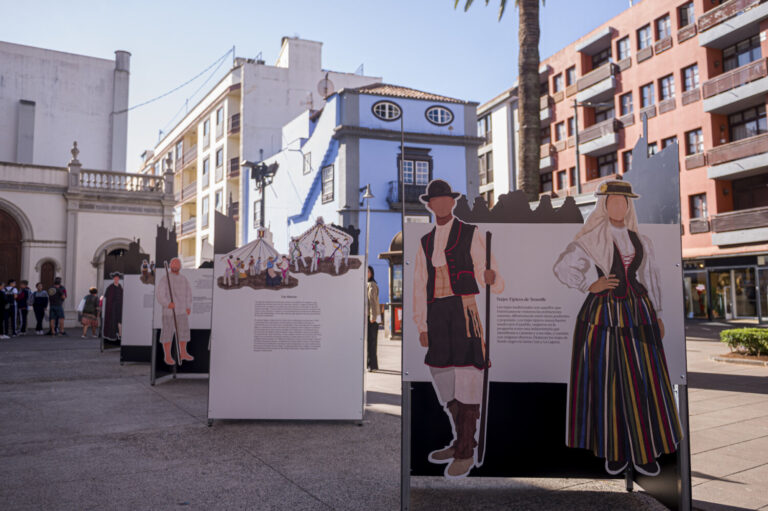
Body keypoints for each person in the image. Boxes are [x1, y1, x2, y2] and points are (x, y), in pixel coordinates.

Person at [553, 179, 682, 477]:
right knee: (607, 380)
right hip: (603, 316)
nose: (618, 206)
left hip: (639, 313)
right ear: (604, 205)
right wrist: (590, 284)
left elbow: (650, 277)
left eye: (623, 202)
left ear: (628, 206)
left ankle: (645, 451)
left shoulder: (641, 240)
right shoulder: (593, 238)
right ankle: (614, 451)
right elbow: (562, 267)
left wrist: (658, 313)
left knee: (644, 379)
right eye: (612, 202)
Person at [412, 179, 504, 478]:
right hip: (437, 314)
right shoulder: (425, 242)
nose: (440, 204)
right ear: (430, 205)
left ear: (452, 202)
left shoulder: (470, 232)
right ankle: (462, 439)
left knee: (467, 375)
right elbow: (419, 284)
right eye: (434, 201)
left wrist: (491, 277)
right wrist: (421, 324)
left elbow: (487, 269)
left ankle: (465, 450)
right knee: (443, 376)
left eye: (445, 200)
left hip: (464, 309)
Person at [156, 258, 194, 366]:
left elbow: (188, 293)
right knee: (167, 333)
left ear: (180, 266)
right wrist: (167, 304)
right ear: (170, 265)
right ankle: (167, 356)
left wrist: (188, 306)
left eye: (177, 263)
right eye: (173, 263)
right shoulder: (165, 279)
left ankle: (183, 353)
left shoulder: (184, 279)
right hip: (169, 312)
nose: (175, 265)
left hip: (182, 311)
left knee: (184, 332)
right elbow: (160, 295)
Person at [366, 266, 380, 371]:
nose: (366, 273)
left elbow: (373, 302)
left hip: (373, 317)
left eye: (368, 271)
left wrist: (373, 316)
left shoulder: (371, 284)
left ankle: (372, 365)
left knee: (371, 341)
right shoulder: (368, 284)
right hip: (373, 316)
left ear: (371, 273)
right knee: (371, 341)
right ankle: (371, 364)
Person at [102, 273, 123, 341]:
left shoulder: (120, 287)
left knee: (119, 320)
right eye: (115, 278)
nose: (116, 279)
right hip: (112, 307)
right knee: (113, 320)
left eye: (117, 278)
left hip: (119, 306)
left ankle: (120, 334)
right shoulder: (110, 287)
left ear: (119, 279)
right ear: (113, 279)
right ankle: (112, 335)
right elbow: (107, 297)